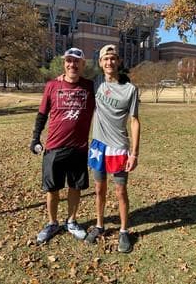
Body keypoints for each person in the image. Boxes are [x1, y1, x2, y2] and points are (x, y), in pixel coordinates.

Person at [30, 47, 95, 244]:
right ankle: (52, 223)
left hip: (79, 148)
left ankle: (72, 221)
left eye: (76, 61)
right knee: (52, 189)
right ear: (64, 64)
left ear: (83, 65)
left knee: (75, 187)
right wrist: (35, 138)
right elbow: (42, 115)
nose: (72, 64)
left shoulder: (90, 87)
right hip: (54, 148)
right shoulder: (52, 85)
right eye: (69, 61)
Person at [85, 44, 140, 253]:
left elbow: (134, 121)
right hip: (99, 145)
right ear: (100, 63)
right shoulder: (95, 84)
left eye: (113, 58)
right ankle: (99, 225)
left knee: (120, 191)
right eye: (105, 59)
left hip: (119, 148)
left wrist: (134, 153)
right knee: (99, 189)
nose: (109, 62)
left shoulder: (130, 89)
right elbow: (73, 76)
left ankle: (124, 231)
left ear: (119, 62)